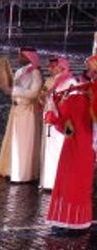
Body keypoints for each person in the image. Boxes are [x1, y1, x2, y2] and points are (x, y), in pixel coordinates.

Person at [45, 80, 95, 230]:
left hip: (80, 146)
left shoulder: (74, 97)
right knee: (74, 180)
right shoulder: (76, 98)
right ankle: (72, 220)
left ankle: (68, 219)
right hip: (79, 146)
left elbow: (57, 116)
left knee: (73, 180)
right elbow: (60, 118)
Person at [0, 47, 43, 183]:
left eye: (20, 55)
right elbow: (12, 90)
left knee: (23, 143)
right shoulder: (20, 71)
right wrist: (5, 85)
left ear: (28, 56)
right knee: (13, 141)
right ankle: (11, 169)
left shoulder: (35, 73)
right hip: (15, 110)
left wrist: (15, 90)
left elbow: (34, 93)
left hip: (27, 112)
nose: (18, 57)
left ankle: (23, 173)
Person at [40, 57, 77, 190]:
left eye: (54, 65)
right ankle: (48, 182)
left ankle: (57, 183)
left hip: (60, 123)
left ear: (61, 67)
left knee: (58, 150)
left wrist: (56, 116)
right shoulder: (54, 81)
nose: (51, 68)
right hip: (50, 120)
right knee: (49, 151)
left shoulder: (70, 82)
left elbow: (71, 104)